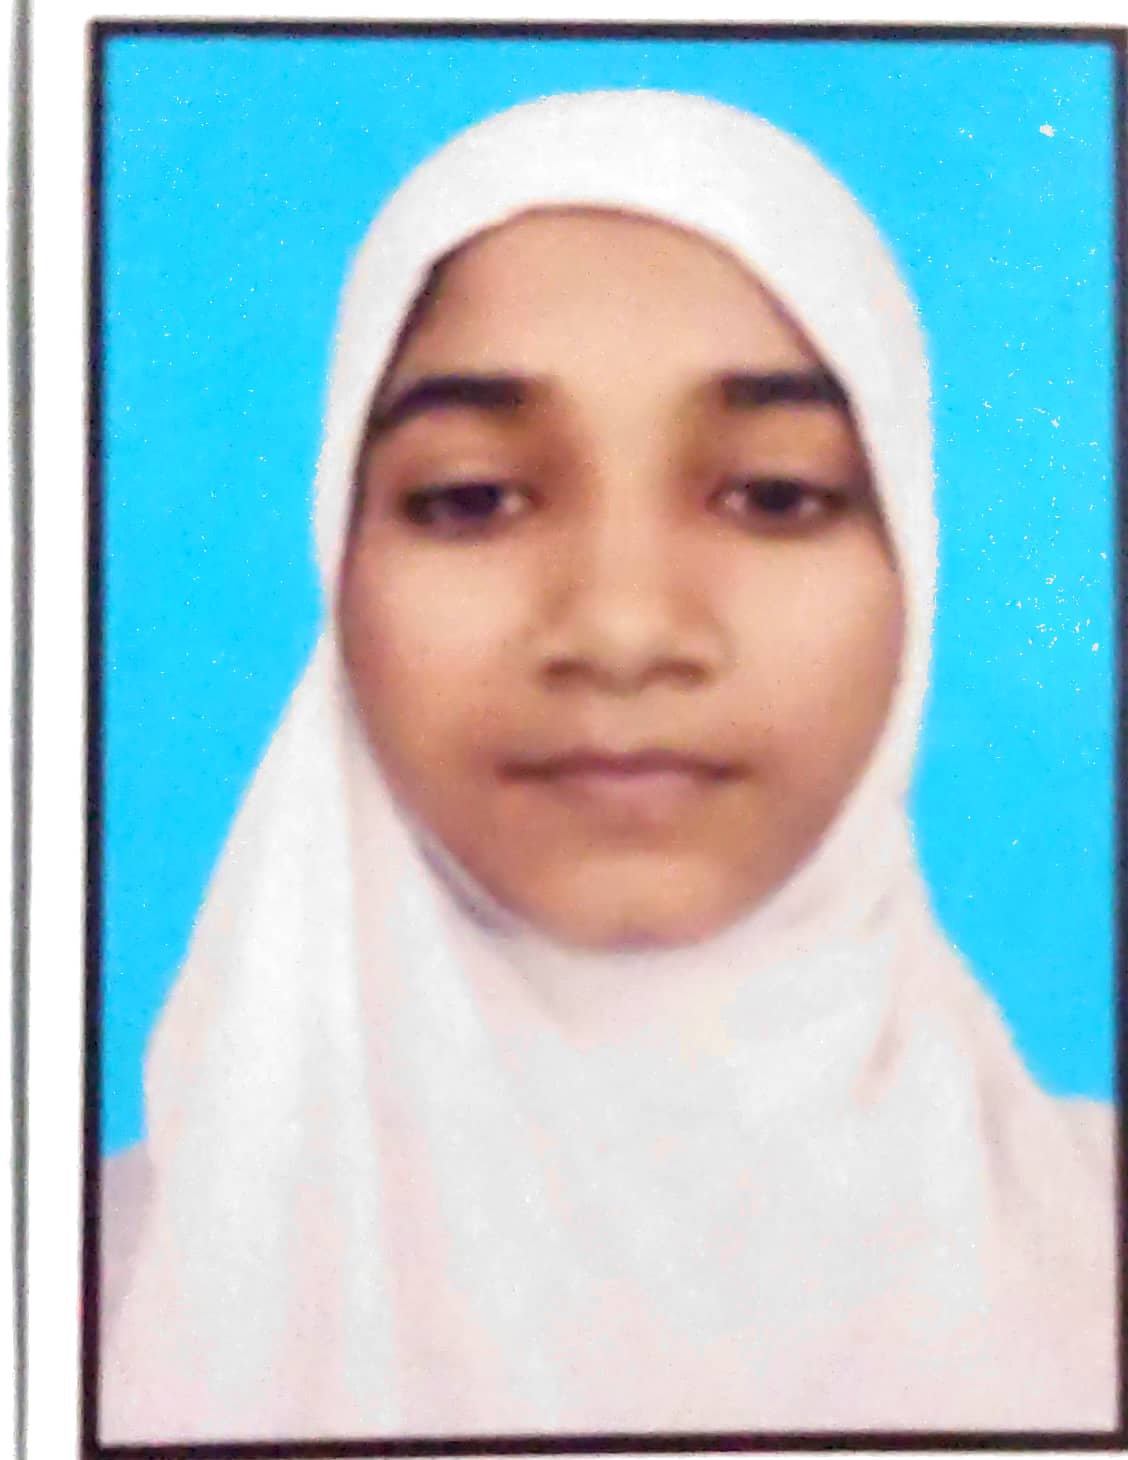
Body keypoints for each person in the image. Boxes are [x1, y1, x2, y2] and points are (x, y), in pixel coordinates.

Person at [99, 90, 1116, 1444]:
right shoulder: (85, 1297)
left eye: (775, 494)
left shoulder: (1101, 1260)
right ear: (338, 563)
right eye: (472, 497)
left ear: (914, 567)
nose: (626, 631)